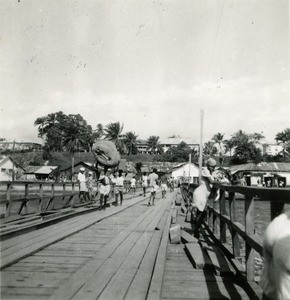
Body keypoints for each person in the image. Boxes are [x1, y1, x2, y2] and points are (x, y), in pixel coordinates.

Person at [191, 158, 216, 239]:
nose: (213, 168)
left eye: (214, 167)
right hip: (200, 194)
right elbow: (211, 182)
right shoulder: (205, 171)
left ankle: (196, 231)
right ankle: (196, 231)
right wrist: (222, 182)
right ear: (208, 165)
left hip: (203, 195)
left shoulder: (209, 172)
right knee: (201, 213)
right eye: (212, 166)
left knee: (201, 213)